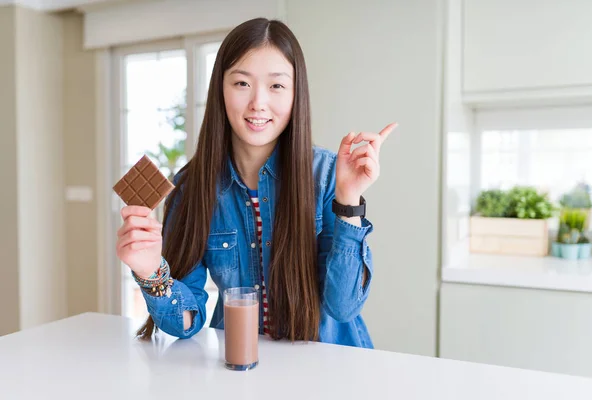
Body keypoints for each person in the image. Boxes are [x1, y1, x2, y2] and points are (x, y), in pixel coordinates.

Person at [116, 17, 396, 348]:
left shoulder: (327, 174)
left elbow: (343, 306)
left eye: (276, 86)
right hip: (239, 367)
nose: (258, 103)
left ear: (296, 94)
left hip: (330, 370)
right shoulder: (192, 187)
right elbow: (186, 324)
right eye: (242, 83)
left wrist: (349, 200)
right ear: (220, 88)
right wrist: (151, 272)